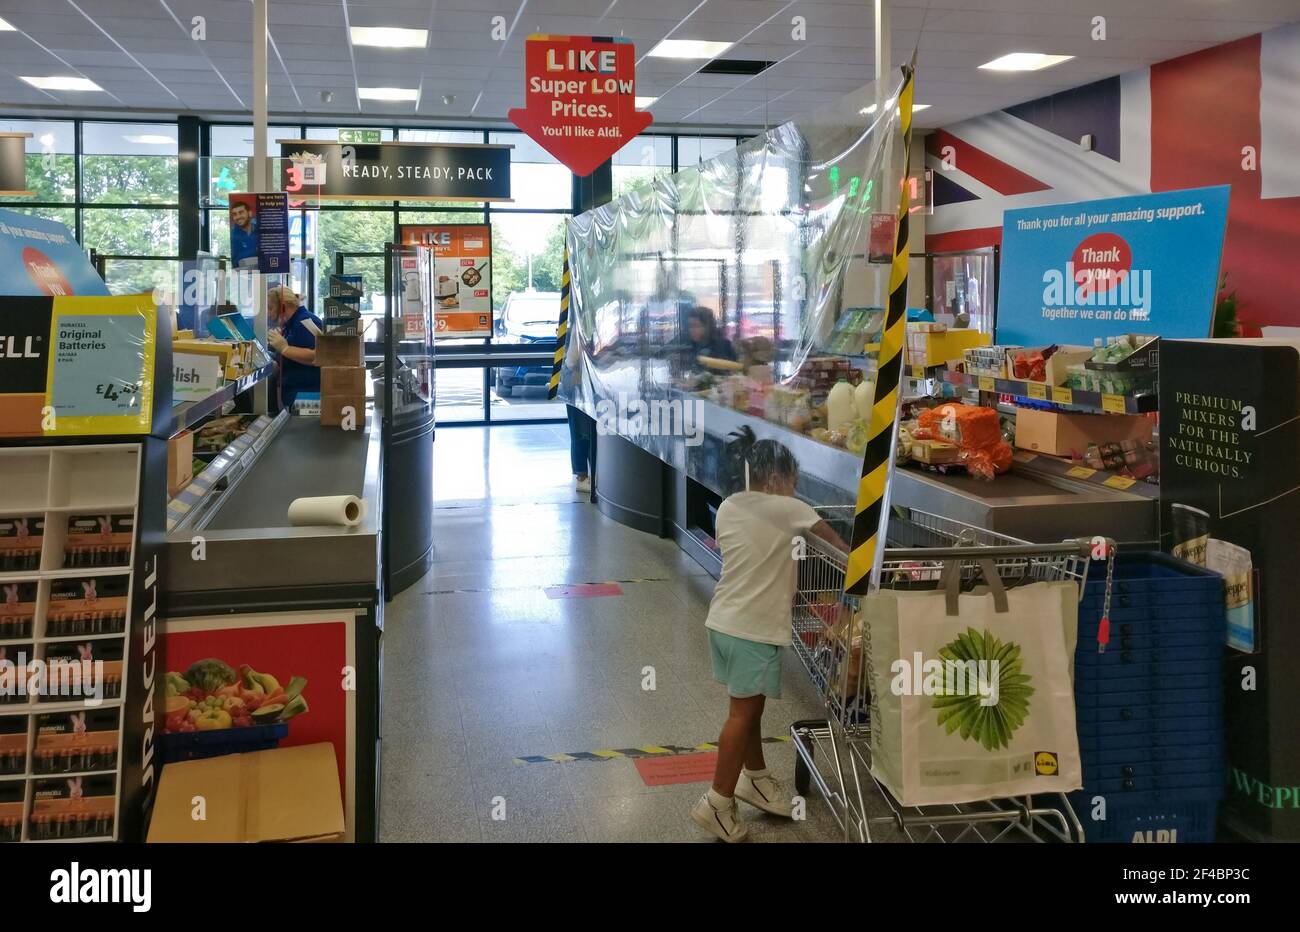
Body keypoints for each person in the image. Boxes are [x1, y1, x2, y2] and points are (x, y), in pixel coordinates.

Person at [691, 426, 848, 843]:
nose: (796, 491)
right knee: (741, 716)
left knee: (749, 709)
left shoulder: (728, 507)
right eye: (794, 483)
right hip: (753, 632)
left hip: (723, 623)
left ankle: (754, 778)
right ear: (777, 480)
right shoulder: (789, 509)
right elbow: (836, 545)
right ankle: (717, 802)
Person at [266, 285, 322, 410]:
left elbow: (317, 356)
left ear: (283, 306)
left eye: (270, 308)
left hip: (307, 397)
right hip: (295, 395)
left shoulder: (305, 322)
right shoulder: (291, 325)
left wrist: (285, 349)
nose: (268, 313)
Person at [229, 199, 259, 269]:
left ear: (250, 213)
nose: (238, 217)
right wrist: (256, 250)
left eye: (241, 212)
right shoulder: (233, 236)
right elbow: (236, 262)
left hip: (263, 274)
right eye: (235, 214)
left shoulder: (260, 230)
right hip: (242, 275)